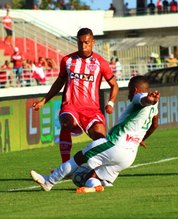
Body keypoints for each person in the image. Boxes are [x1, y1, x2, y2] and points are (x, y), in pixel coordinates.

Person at [31, 76, 160, 192]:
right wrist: (140, 139)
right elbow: (154, 125)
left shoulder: (138, 97)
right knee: (93, 176)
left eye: (129, 90)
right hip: (129, 156)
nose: (128, 95)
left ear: (136, 90)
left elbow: (143, 100)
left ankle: (49, 181)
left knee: (79, 158)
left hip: (115, 145)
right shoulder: (155, 105)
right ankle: (95, 186)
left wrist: (148, 100)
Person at [32, 28, 119, 163]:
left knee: (101, 138)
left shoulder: (100, 62)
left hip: (92, 109)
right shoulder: (67, 60)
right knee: (66, 123)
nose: (83, 46)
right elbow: (59, 82)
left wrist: (111, 102)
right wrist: (44, 100)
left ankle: (100, 169)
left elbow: (114, 84)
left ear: (93, 42)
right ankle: (65, 166)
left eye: (86, 43)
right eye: (80, 43)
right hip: (70, 106)